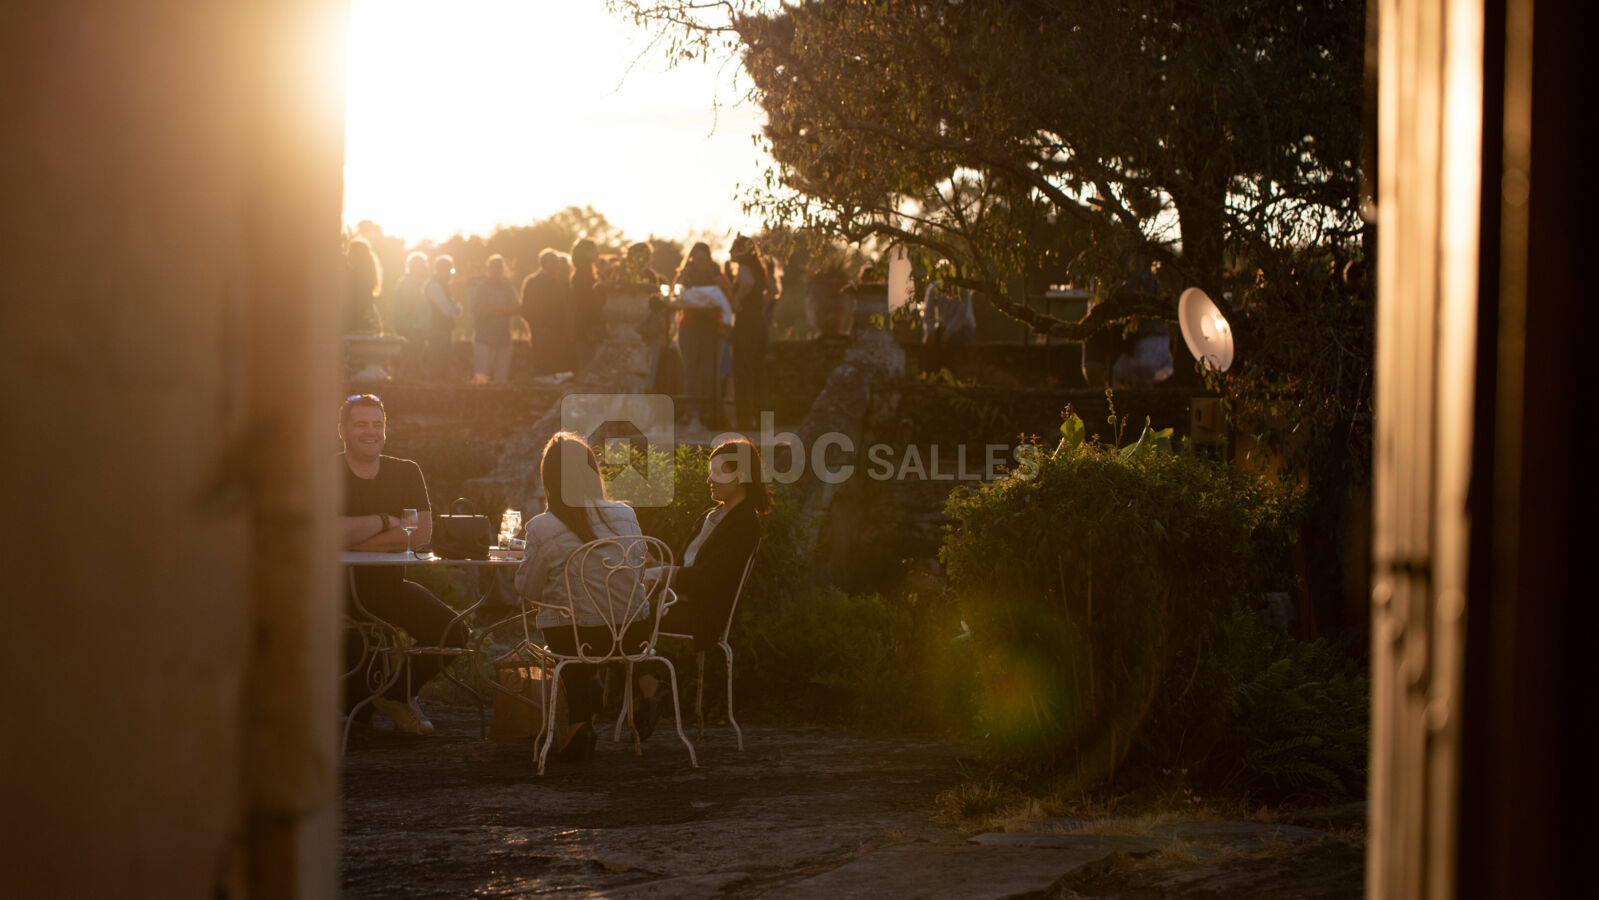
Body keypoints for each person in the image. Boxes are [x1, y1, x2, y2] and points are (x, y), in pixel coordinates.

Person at [514, 433, 656, 762]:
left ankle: (581, 726)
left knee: (567, 623)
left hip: (579, 639)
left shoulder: (541, 526)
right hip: (632, 635)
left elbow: (527, 588)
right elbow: (637, 567)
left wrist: (551, 592)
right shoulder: (625, 514)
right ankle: (646, 682)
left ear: (549, 479)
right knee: (585, 615)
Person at [338, 393, 466, 735]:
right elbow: (325, 533)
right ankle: (370, 703)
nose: (371, 431)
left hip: (388, 587)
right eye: (361, 424)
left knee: (453, 631)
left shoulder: (406, 472)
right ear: (343, 431)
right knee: (357, 716)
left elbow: (421, 535)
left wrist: (354, 536)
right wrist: (385, 520)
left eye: (377, 424)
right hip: (337, 591)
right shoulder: (325, 470)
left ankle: (398, 695)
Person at [654, 439, 769, 721]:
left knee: (627, 617)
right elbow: (686, 567)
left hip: (702, 613)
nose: (709, 479)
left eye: (718, 472)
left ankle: (644, 693)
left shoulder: (744, 524)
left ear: (740, 477)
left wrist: (659, 574)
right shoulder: (712, 516)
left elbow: (708, 580)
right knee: (620, 611)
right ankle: (643, 692)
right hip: (677, 602)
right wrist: (657, 566)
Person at [672, 242, 734, 431]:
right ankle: (694, 416)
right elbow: (675, 295)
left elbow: (729, 295)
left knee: (710, 373)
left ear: (709, 260)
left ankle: (711, 416)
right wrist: (683, 280)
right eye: (696, 259)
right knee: (691, 371)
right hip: (689, 327)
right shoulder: (686, 275)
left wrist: (717, 284)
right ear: (691, 259)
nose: (700, 263)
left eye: (704, 260)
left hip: (711, 329)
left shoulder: (716, 275)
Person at [728, 235, 769, 430]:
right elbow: (774, 289)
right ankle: (760, 416)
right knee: (758, 369)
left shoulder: (744, 269)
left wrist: (737, 300)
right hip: (759, 322)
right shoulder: (760, 269)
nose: (729, 252)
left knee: (743, 369)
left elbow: (747, 283)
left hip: (745, 322)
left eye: (733, 248)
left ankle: (744, 417)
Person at [519, 249, 576, 376]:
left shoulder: (532, 281)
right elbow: (561, 309)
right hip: (550, 332)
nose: (557, 266)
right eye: (555, 262)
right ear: (548, 263)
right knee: (548, 365)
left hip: (542, 331)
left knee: (544, 366)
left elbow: (525, 309)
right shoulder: (550, 282)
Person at [470, 254, 521, 384]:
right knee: (481, 380)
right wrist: (504, 309)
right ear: (488, 270)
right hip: (484, 340)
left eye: (499, 268)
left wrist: (494, 309)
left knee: (502, 380)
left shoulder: (508, 286)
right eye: (494, 268)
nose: (497, 271)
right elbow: (482, 312)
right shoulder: (481, 287)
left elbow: (516, 308)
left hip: (504, 339)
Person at [569, 238, 606, 373]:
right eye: (595, 250)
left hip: (587, 327)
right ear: (586, 253)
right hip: (588, 328)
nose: (598, 253)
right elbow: (587, 303)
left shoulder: (585, 274)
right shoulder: (582, 276)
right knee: (589, 368)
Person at [393, 251, 430, 378]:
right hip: (409, 323)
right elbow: (410, 306)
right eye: (423, 265)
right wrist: (413, 325)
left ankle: (412, 375)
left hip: (414, 324)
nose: (426, 268)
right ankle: (406, 376)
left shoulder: (416, 282)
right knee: (411, 351)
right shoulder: (408, 283)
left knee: (416, 350)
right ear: (414, 266)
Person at [921, 260, 976, 346]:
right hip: (943, 326)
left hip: (963, 328)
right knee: (930, 343)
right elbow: (928, 314)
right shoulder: (934, 288)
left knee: (954, 342)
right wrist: (929, 331)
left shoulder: (963, 289)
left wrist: (947, 334)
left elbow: (961, 315)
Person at [425, 255, 462, 380]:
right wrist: (456, 308)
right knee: (438, 363)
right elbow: (447, 310)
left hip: (442, 330)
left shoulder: (441, 286)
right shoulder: (435, 286)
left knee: (444, 362)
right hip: (437, 330)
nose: (450, 275)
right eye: (449, 271)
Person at [344, 239, 383, 335]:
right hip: (368, 318)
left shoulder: (355, 276)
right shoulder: (368, 274)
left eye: (349, 251)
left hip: (358, 322)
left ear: (357, 255)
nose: (347, 254)